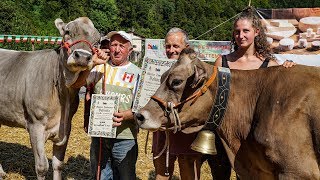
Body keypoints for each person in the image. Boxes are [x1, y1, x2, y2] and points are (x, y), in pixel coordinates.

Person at [152, 27, 231, 180]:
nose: (171, 50)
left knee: (187, 166)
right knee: (162, 171)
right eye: (168, 46)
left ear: (186, 48)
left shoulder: (195, 72)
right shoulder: (154, 68)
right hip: (162, 126)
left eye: (176, 46)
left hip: (185, 127)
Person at [86, 31, 141, 180]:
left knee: (125, 176)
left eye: (122, 46)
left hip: (125, 137)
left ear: (130, 50)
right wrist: (92, 63)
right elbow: (76, 84)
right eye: (114, 44)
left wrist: (126, 115)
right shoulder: (98, 67)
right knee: (101, 176)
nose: (117, 49)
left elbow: (142, 109)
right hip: (100, 137)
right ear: (109, 47)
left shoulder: (138, 73)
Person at [215, 7, 295, 69]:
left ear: (256, 32)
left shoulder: (269, 65)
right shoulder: (222, 62)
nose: (240, 36)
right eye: (237, 32)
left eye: (246, 31)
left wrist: (290, 66)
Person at [84, 36, 110, 133]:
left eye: (109, 46)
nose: (106, 49)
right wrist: (87, 118)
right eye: (104, 46)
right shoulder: (95, 67)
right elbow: (88, 94)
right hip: (99, 117)